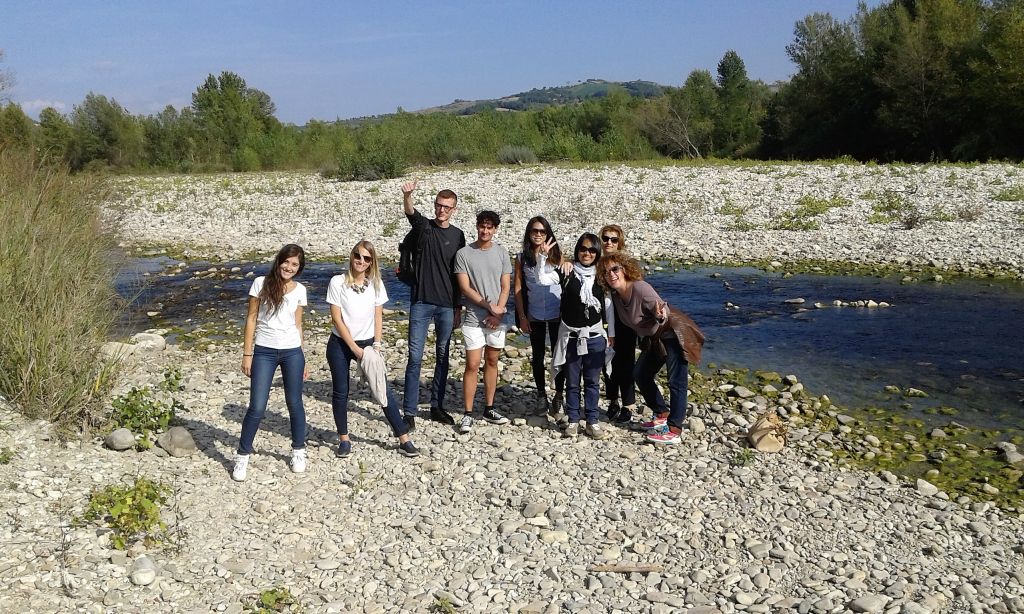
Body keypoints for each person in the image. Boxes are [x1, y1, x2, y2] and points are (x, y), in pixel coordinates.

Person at [598, 252, 704, 445]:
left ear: (625, 270)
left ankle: (674, 429)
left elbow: (663, 312)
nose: (611, 274)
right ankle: (662, 413)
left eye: (615, 269)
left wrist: (660, 314)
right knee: (641, 374)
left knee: (676, 381)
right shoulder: (615, 296)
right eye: (606, 272)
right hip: (655, 340)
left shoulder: (640, 288)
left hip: (673, 334)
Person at [326, 241, 420, 458]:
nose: (361, 261)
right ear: (352, 256)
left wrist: (376, 345)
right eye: (358, 256)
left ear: (372, 262)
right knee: (341, 391)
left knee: (382, 389)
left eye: (367, 258)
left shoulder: (376, 283)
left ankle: (403, 437)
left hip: (368, 343)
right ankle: (344, 439)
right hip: (340, 343)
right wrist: (354, 349)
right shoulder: (337, 282)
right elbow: (336, 318)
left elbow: (378, 315)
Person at [233, 244, 309, 481]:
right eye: (286, 262)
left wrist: (303, 356)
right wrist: (247, 354)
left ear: (299, 268)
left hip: (292, 352)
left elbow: (298, 325)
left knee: (294, 403)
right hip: (264, 351)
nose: (289, 267)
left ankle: (298, 450)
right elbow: (251, 319)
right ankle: (242, 456)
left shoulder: (300, 290)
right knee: (257, 406)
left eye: (294, 264)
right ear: (279, 261)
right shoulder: (260, 283)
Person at [400, 181, 467, 430]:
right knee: (415, 357)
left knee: (442, 356)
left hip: (447, 305)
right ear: (435, 205)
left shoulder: (458, 235)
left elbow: (460, 273)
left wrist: (459, 306)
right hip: (421, 301)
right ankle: (409, 411)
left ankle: (437, 407)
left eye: (447, 207)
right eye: (439, 205)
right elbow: (410, 212)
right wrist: (408, 196)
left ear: (454, 210)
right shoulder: (424, 228)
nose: (442, 210)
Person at [543, 233, 614, 440]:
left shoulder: (601, 276)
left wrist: (612, 335)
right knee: (572, 382)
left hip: (595, 337)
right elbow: (542, 278)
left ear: (597, 252)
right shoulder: (567, 271)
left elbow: (608, 308)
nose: (587, 253)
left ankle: (592, 421)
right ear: (577, 250)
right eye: (583, 249)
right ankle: (573, 420)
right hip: (572, 337)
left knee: (592, 381)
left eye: (592, 250)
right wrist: (542, 258)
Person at [454, 210, 513, 433]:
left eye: (489, 227)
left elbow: (505, 286)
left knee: (492, 361)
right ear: (477, 226)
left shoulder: (502, 253)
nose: (485, 231)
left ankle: (489, 408)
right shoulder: (464, 254)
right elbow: (465, 288)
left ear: (495, 229)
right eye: (482, 226)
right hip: (473, 317)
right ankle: (467, 413)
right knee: (471, 364)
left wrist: (497, 314)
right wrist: (490, 308)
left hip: (497, 319)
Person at [513, 216, 566, 415]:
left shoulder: (556, 255)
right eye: (534, 231)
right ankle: (541, 395)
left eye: (542, 232)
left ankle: (559, 394)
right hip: (534, 312)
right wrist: (522, 316)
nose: (538, 235)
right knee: (538, 355)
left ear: (548, 234)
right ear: (528, 233)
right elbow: (518, 288)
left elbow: (566, 278)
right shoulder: (521, 258)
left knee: (558, 356)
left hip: (556, 312)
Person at [598, 224, 638, 423]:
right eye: (606, 238)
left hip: (626, 322)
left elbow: (637, 290)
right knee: (607, 361)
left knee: (626, 363)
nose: (609, 243)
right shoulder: (598, 263)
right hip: (604, 321)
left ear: (620, 242)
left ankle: (628, 404)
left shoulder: (627, 264)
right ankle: (612, 400)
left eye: (614, 239)